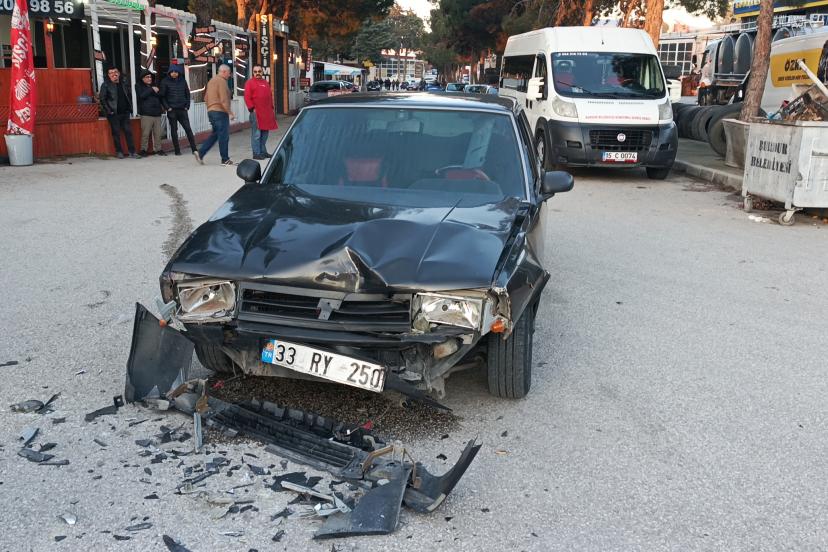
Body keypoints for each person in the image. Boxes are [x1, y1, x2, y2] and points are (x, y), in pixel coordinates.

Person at [196, 64, 235, 166]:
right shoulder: (221, 81)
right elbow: (223, 99)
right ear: (224, 72)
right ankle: (225, 159)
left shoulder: (211, 81)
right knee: (224, 136)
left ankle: (201, 153)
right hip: (220, 112)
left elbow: (205, 98)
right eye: (229, 73)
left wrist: (210, 107)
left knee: (215, 134)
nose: (229, 75)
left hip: (211, 111)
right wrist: (230, 112)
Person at [99, 67, 139, 159]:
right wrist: (109, 111)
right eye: (111, 73)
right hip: (113, 114)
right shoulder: (105, 85)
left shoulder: (124, 83)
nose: (114, 74)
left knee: (128, 132)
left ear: (119, 73)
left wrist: (129, 108)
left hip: (125, 113)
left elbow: (129, 96)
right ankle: (119, 152)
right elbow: (102, 99)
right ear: (108, 75)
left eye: (115, 72)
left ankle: (132, 152)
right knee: (116, 133)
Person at [159, 64, 197, 157]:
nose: (174, 73)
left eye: (176, 72)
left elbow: (187, 93)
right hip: (172, 110)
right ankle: (177, 150)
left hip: (182, 109)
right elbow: (162, 96)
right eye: (172, 72)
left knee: (188, 129)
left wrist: (187, 106)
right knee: (174, 130)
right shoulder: (164, 81)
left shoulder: (183, 81)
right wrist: (167, 108)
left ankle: (194, 149)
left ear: (178, 72)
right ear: (169, 73)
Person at [244, 64, 278, 160]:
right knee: (257, 134)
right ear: (253, 72)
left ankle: (263, 151)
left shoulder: (265, 82)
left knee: (265, 134)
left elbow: (269, 96)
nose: (257, 73)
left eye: (259, 71)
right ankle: (256, 153)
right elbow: (247, 97)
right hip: (256, 113)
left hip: (266, 113)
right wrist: (252, 109)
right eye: (255, 71)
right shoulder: (249, 83)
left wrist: (271, 108)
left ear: (262, 72)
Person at [135, 70, 166, 157]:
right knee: (145, 133)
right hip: (146, 113)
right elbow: (141, 96)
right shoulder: (138, 86)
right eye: (147, 77)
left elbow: (161, 95)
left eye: (150, 77)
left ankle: (158, 149)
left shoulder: (155, 85)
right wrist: (151, 89)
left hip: (157, 113)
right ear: (142, 78)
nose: (149, 79)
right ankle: (143, 150)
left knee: (158, 133)